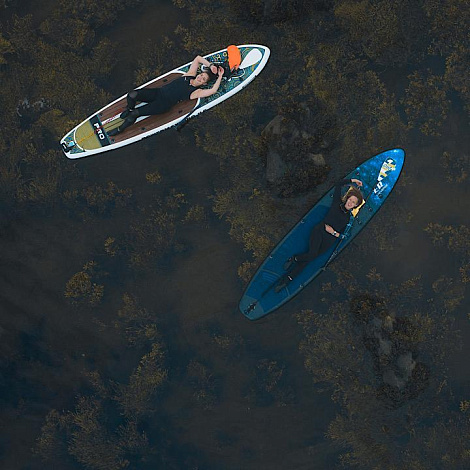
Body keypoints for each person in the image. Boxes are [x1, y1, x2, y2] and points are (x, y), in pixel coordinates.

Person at [274, 178, 364, 293]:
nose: (350, 203)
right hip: (320, 230)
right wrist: (353, 180)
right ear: (347, 198)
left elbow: (343, 236)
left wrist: (334, 233)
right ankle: (294, 258)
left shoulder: (349, 218)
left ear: (355, 206)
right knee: (311, 255)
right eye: (350, 199)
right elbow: (338, 184)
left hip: (329, 240)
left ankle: (287, 279)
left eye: (353, 203)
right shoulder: (337, 203)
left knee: (308, 260)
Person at [108, 56, 225, 136]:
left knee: (135, 114)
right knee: (132, 95)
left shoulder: (196, 92)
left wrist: (220, 76)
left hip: (163, 104)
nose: (200, 78)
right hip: (158, 92)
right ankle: (129, 108)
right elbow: (198, 58)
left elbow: (213, 91)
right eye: (201, 75)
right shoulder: (190, 75)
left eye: (203, 79)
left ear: (204, 83)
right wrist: (211, 65)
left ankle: (120, 129)